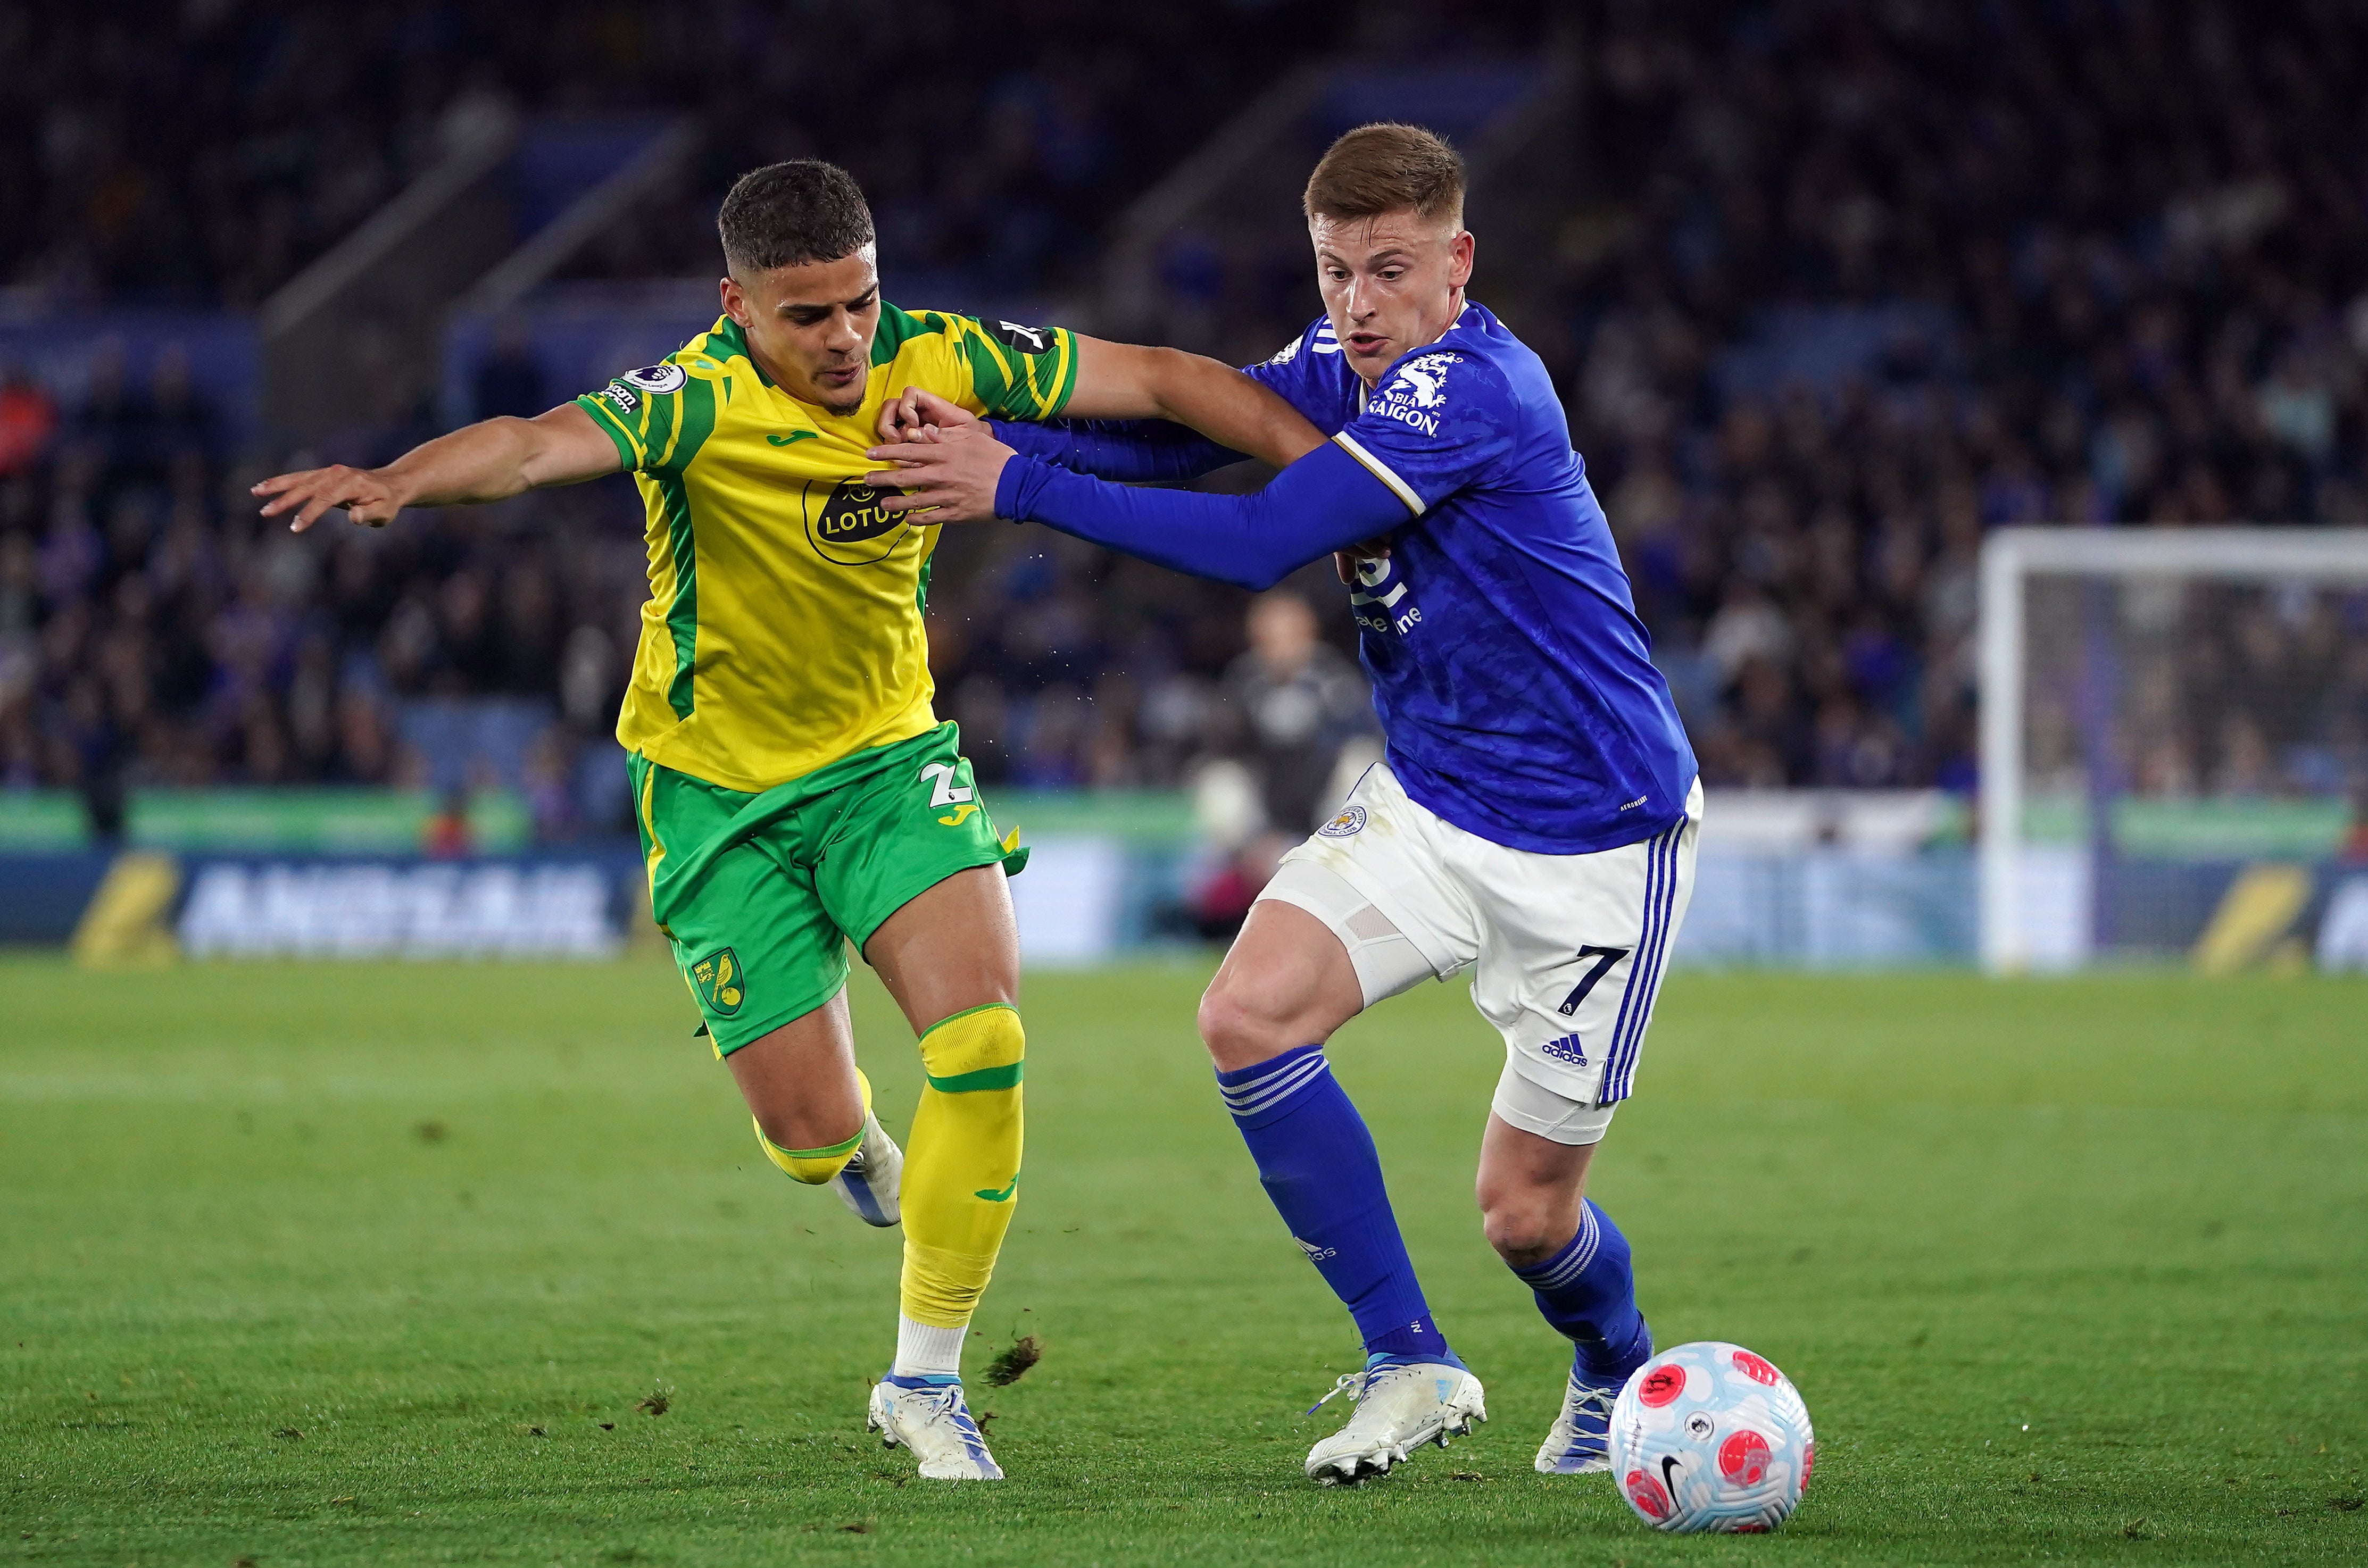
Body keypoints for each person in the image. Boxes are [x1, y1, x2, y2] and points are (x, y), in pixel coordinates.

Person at [252, 159, 1320, 1482]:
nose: (843, 340)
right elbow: (533, 445)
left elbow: (1160, 380)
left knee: (984, 1044)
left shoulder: (936, 355)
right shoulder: (692, 397)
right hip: (719, 802)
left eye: (859, 305)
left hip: (887, 765)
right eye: (807, 315)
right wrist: (404, 479)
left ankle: (924, 1387)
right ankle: (854, 1144)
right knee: (811, 1140)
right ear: (738, 307)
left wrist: (1336, 475)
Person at [868, 123, 1701, 1484]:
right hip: (1435, 804)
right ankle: (1410, 1359)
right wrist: (990, 432)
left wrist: (1013, 485)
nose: (1358, 304)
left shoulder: (1477, 389)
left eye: (1389, 270)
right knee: (1246, 1014)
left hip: (1593, 838)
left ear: (1458, 260)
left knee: (1525, 1214)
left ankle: (1615, 1364)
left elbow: (1265, 542)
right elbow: (1183, 446)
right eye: (1334, 271)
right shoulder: (1338, 366)